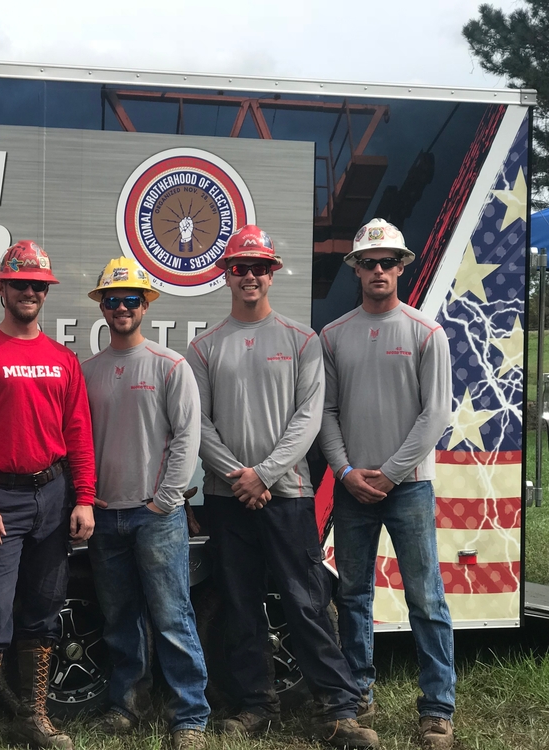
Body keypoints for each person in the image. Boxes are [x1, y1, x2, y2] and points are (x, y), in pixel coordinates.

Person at [186, 226, 378, 748]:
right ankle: (255, 706)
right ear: (227, 275)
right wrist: (239, 476)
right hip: (229, 499)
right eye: (239, 267)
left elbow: (309, 418)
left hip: (286, 494)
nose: (249, 276)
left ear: (271, 274)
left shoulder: (302, 340)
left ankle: (338, 709)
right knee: (240, 603)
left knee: (307, 601)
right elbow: (199, 425)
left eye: (258, 268)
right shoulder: (203, 348)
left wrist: (264, 474)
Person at [0, 240, 97, 750]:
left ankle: (33, 717)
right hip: (1, 496)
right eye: (21, 284)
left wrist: (84, 498)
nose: (30, 292)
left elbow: (78, 432)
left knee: (44, 607)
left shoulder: (62, 359)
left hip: (53, 495)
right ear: (3, 289)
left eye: (38, 286)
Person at [319, 218, 455, 750]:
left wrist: (389, 472)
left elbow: (435, 413)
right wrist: (348, 473)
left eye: (388, 262)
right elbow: (325, 413)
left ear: (402, 267)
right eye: (368, 262)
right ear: (355, 269)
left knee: (426, 599)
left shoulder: (427, 332)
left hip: (409, 488)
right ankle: (356, 697)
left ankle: (438, 709)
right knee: (353, 596)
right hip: (354, 490)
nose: (378, 270)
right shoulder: (334, 336)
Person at [80, 258, 208, 750]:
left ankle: (190, 717)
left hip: (155, 516)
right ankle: (126, 704)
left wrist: (164, 501)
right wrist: (88, 500)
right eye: (112, 300)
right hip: (105, 513)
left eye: (131, 299)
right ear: (102, 308)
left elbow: (186, 439)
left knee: (172, 615)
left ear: (145, 305)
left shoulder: (169, 366)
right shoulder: (87, 371)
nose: (121, 308)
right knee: (119, 618)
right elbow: (80, 441)